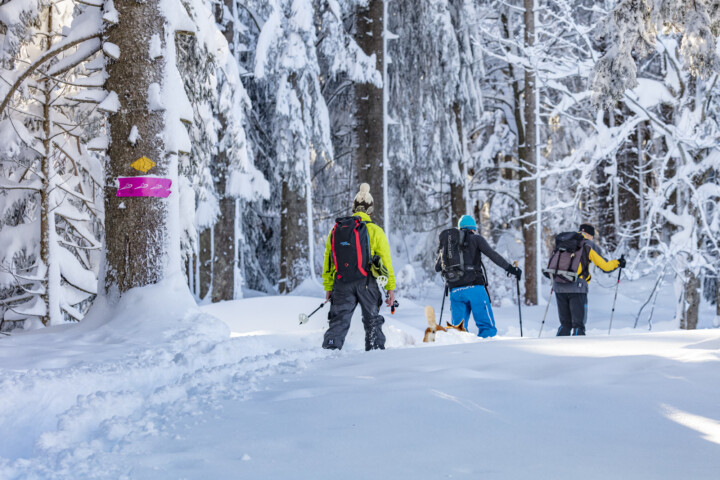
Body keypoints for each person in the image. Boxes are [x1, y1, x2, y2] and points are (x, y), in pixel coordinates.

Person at [322, 183, 396, 351]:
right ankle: (375, 354)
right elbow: (385, 261)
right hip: (367, 282)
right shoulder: (376, 231)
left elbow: (329, 260)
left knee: (338, 322)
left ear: (354, 209)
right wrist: (390, 288)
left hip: (341, 282)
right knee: (372, 321)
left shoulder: (337, 230)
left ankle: (329, 352)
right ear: (370, 210)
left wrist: (329, 287)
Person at [435, 215, 521, 338]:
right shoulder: (476, 239)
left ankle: (460, 354)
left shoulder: (449, 245)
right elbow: (492, 255)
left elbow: (437, 267)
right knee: (487, 328)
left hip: (455, 290)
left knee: (458, 331)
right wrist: (511, 269)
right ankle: (487, 352)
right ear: (473, 229)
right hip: (475, 288)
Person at [553, 223, 625, 336]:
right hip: (577, 287)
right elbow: (605, 267)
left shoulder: (563, 241)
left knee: (565, 324)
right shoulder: (587, 245)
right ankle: (579, 351)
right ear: (589, 235)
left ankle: (558, 349)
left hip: (558, 285)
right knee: (578, 325)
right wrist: (618, 263)